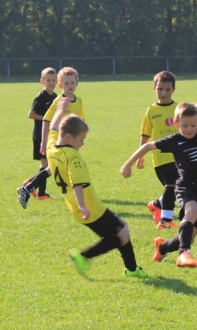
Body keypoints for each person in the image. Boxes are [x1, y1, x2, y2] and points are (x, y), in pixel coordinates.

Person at [120, 102, 197, 268]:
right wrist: (127, 165)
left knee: (189, 237)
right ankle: (184, 253)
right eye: (184, 126)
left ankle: (162, 247)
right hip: (185, 186)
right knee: (191, 212)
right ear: (176, 124)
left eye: (193, 125)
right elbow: (148, 145)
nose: (189, 129)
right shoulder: (175, 140)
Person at [46, 97, 148, 280]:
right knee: (122, 232)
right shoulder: (73, 157)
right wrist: (83, 205)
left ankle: (132, 269)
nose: (82, 143)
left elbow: (52, 127)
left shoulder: (52, 147)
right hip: (89, 207)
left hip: (75, 207)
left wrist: (60, 109)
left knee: (120, 232)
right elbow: (77, 183)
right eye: (81, 139)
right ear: (69, 137)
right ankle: (84, 256)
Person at [17, 66, 84, 208]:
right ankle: (77, 199)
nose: (70, 85)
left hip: (69, 141)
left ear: (77, 83)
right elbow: (47, 121)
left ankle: (27, 187)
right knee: (62, 167)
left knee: (52, 168)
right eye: (66, 83)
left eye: (72, 82)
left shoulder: (78, 101)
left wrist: (79, 139)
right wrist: (43, 142)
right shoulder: (58, 101)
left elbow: (80, 121)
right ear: (60, 85)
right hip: (56, 139)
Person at [137, 71, 179, 229]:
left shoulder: (178, 109)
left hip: (179, 156)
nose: (163, 93)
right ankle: (165, 220)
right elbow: (145, 135)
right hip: (161, 157)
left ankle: (156, 205)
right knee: (171, 185)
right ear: (154, 88)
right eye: (160, 89)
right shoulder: (151, 111)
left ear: (173, 90)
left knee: (178, 188)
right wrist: (141, 157)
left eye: (167, 89)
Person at [22, 67, 58, 200]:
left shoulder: (54, 96)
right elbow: (31, 114)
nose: (51, 83)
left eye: (53, 80)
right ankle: (41, 193)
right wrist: (47, 119)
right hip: (40, 136)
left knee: (48, 165)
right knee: (46, 165)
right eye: (48, 80)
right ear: (42, 81)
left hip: (50, 135)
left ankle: (31, 184)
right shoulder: (41, 97)